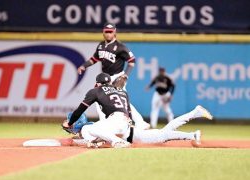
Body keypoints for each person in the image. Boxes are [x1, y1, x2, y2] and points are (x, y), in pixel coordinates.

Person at [77, 22, 150, 130]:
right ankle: (105, 123)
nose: (108, 34)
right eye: (106, 32)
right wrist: (84, 66)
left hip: (117, 76)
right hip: (106, 78)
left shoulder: (120, 47)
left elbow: (131, 61)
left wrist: (126, 75)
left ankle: (140, 122)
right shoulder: (101, 45)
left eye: (110, 32)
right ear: (103, 32)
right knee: (99, 98)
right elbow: (94, 59)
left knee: (120, 99)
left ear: (115, 32)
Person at [63, 105, 213, 148]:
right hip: (131, 132)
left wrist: (73, 142)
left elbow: (92, 141)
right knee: (165, 132)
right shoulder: (90, 127)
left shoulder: (86, 129)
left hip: (134, 135)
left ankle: (193, 130)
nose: (68, 125)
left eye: (70, 122)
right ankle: (194, 116)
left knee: (164, 135)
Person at [62, 72, 133, 148]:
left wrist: (70, 123)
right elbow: (130, 115)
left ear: (98, 83)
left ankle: (117, 141)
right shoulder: (123, 92)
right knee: (93, 131)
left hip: (115, 120)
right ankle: (97, 142)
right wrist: (130, 138)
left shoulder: (96, 91)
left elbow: (80, 110)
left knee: (86, 129)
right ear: (110, 82)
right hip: (125, 126)